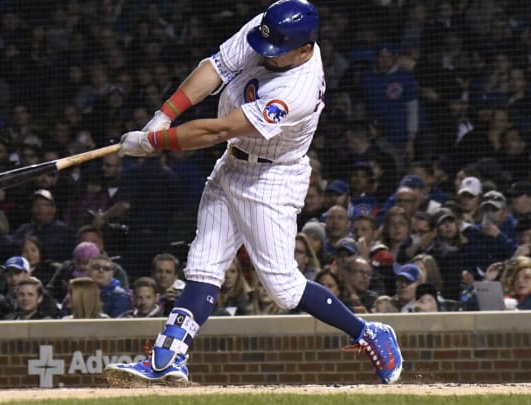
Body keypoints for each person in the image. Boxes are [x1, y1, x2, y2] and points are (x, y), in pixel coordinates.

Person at [106, 0, 402, 385]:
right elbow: (214, 68)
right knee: (203, 265)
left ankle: (368, 333)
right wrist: (164, 115)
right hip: (233, 164)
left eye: (277, 52)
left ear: (304, 49)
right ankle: (168, 359)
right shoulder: (272, 25)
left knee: (283, 287)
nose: (266, 54)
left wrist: (154, 142)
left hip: (271, 181)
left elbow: (217, 130)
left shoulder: (296, 89)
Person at [88, 254, 131, 318]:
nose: (101, 270)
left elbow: (115, 324)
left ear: (111, 274)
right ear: (89, 271)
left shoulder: (121, 296)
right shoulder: (79, 291)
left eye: (106, 268)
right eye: (96, 267)